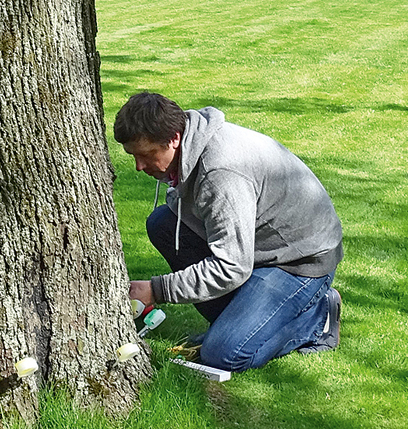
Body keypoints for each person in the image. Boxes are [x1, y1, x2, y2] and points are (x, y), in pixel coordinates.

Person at [115, 92, 343, 372]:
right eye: (133, 156)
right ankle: (237, 321)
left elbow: (232, 267)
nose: (138, 167)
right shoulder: (191, 142)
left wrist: (157, 290)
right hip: (261, 246)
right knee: (162, 224)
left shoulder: (220, 172)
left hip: (299, 260)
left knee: (224, 354)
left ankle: (317, 319)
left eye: (146, 155)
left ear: (173, 138)